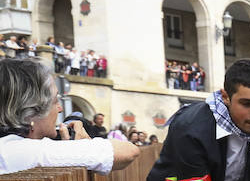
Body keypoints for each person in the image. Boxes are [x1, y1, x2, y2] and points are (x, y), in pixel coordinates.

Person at [0, 59, 143, 174]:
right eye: (55, 101)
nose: (60, 109)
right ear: (31, 111)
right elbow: (128, 151)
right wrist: (81, 143)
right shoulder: (23, 152)